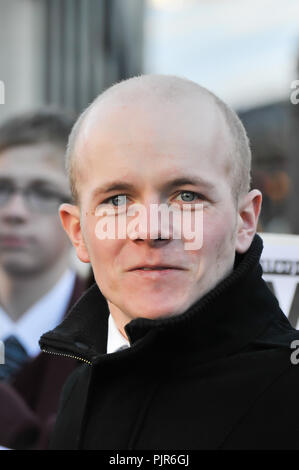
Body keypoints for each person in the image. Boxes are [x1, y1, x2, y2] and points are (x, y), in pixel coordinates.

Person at [40, 75, 299, 450]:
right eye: (117, 200)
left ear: (245, 221)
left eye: (187, 196)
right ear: (78, 232)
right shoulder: (80, 393)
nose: (151, 230)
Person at [0, 109, 89, 449]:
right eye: (1, 188)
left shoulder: (118, 345)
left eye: (41, 192)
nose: (14, 211)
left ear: (78, 216)